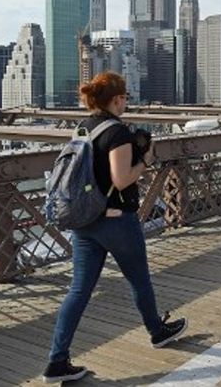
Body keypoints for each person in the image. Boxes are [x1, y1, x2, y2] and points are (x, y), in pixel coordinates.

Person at [43, 72, 187, 383]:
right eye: (124, 98)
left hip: (85, 222)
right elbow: (121, 179)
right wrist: (145, 160)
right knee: (139, 280)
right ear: (117, 99)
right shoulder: (118, 132)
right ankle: (157, 331)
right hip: (117, 222)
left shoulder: (82, 128)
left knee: (79, 291)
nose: (126, 103)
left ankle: (57, 360)